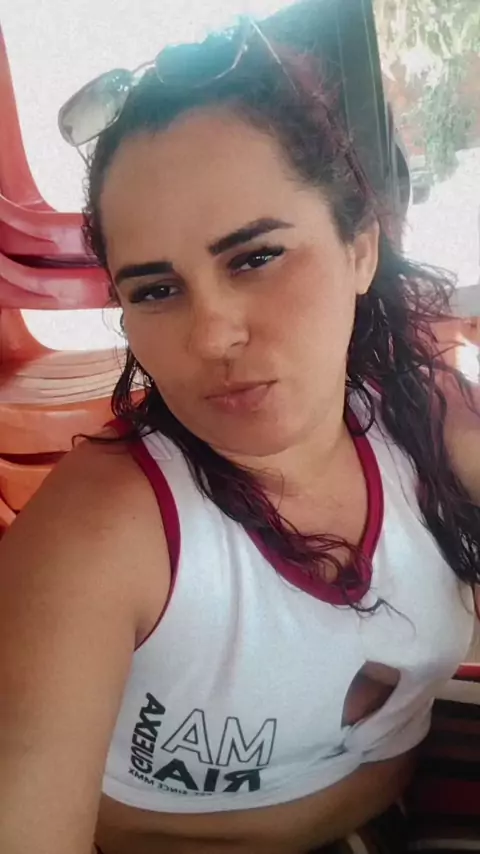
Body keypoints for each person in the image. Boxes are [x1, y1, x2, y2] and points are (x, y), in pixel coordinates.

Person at [1, 20, 480, 854]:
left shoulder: (428, 419)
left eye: (256, 257)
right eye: (156, 290)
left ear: (359, 249)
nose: (213, 334)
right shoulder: (103, 530)